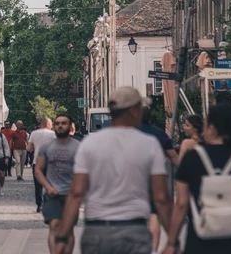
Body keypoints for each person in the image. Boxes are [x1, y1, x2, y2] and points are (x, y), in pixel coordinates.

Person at [55, 86, 174, 254]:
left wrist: (62, 236)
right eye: (140, 107)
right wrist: (173, 240)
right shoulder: (149, 144)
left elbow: (76, 192)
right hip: (134, 229)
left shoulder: (90, 143)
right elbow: (161, 197)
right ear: (133, 110)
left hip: (97, 229)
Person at [163, 104, 231, 254]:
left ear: (212, 127)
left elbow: (181, 204)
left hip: (201, 242)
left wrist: (172, 242)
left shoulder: (191, 159)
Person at [35, 114, 80, 254]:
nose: (60, 126)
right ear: (53, 127)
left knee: (68, 228)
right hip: (52, 193)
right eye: (58, 123)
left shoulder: (78, 147)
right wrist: (48, 187)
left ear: (70, 126)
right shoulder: (46, 147)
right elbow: (38, 170)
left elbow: (83, 171)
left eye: (64, 123)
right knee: (54, 225)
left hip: (70, 195)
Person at [139, 105, 179, 254]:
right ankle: (154, 250)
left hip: (133, 178)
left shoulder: (128, 133)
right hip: (155, 178)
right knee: (154, 213)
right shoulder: (159, 133)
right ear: (150, 117)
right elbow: (173, 156)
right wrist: (185, 172)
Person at [28, 117, 56, 213]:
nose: (52, 126)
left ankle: (39, 204)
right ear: (48, 124)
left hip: (37, 162)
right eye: (51, 124)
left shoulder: (34, 133)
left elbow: (28, 148)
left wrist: (34, 148)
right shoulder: (53, 134)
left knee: (38, 185)